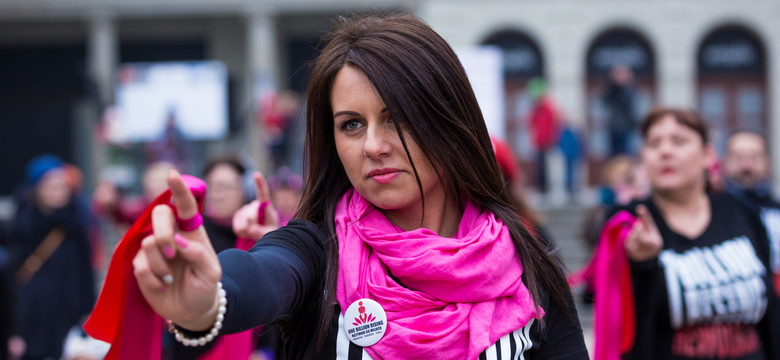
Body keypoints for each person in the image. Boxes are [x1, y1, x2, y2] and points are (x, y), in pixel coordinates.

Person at [123, 14, 587, 359]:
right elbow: (266, 273)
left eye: (395, 118)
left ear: (446, 118)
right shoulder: (316, 250)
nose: (373, 145)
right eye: (351, 125)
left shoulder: (524, 258)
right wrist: (211, 300)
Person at [606, 108, 780, 359]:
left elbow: (771, 314)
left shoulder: (743, 213)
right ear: (643, 159)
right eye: (654, 144)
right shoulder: (628, 224)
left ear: (708, 155)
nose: (665, 151)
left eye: (679, 141)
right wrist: (644, 265)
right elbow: (622, 330)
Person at [7, 155, 96, 360]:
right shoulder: (23, 222)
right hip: (30, 309)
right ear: (38, 188)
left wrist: (88, 308)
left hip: (67, 307)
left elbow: (85, 268)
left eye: (62, 186)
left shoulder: (76, 221)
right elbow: (13, 272)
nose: (59, 191)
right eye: (52, 185)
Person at [723, 131, 780, 295]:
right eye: (739, 157)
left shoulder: (777, 212)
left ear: (767, 163)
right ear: (726, 162)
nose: (746, 166)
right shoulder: (707, 214)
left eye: (754, 157)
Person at [527, 77, 561, 194]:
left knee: (545, 164)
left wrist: (552, 138)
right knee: (540, 164)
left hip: (547, 140)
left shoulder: (548, 108)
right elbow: (530, 122)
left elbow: (555, 123)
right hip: (539, 140)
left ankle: (546, 187)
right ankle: (541, 186)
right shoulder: (537, 108)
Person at [602, 64, 639, 156]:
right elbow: (605, 102)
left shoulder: (631, 89)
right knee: (613, 156)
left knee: (626, 155)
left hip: (627, 128)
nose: (619, 77)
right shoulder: (611, 90)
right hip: (613, 128)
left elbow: (630, 107)